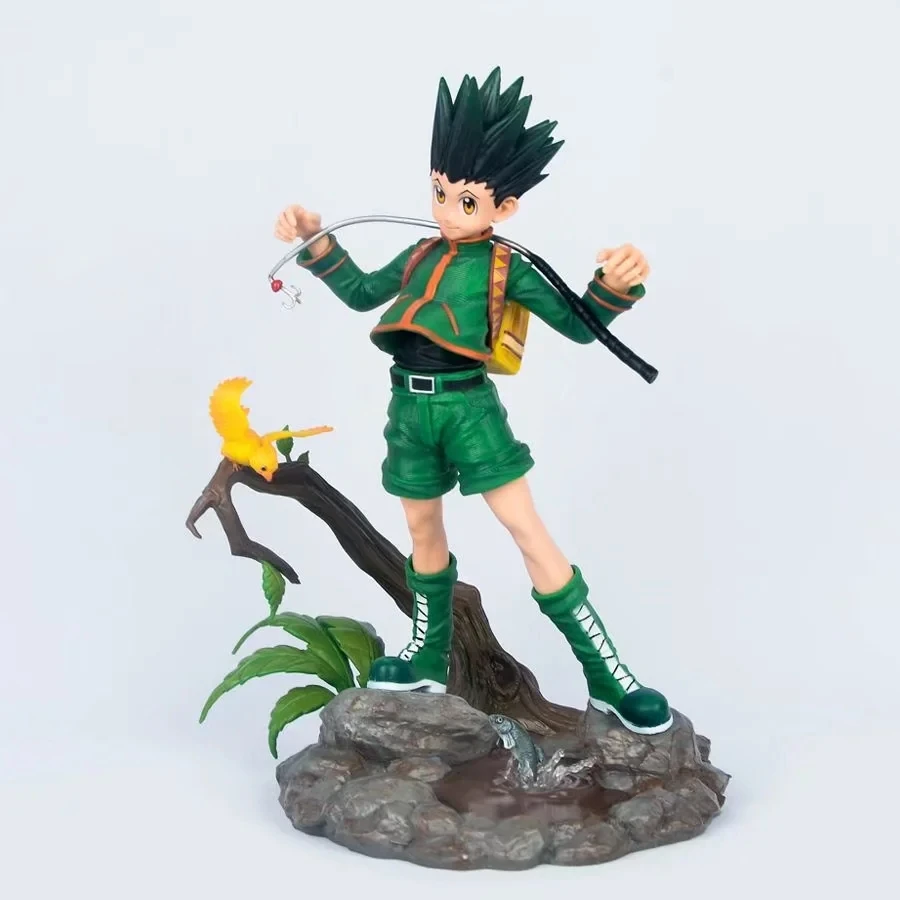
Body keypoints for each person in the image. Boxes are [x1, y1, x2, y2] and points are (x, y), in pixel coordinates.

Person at [274, 68, 672, 734]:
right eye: (439, 191)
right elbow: (364, 293)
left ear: (503, 208)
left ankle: (607, 675)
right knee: (422, 532)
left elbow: (579, 325)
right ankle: (428, 656)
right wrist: (316, 242)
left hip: (470, 410)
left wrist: (612, 284)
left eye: (465, 200)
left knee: (526, 529)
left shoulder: (508, 267)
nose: (445, 210)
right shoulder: (419, 254)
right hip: (408, 410)